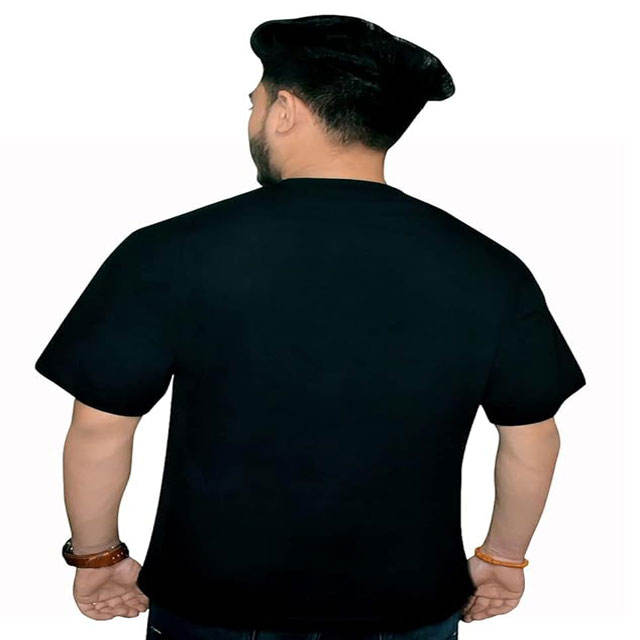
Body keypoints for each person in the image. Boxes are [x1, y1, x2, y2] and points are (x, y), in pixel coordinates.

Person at [34, 14, 587, 640]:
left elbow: (101, 426)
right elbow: (531, 436)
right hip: (406, 609)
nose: (252, 118)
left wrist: (97, 558)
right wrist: (503, 560)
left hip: (214, 606)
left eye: (255, 102)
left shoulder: (168, 252)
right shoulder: (488, 268)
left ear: (285, 111)